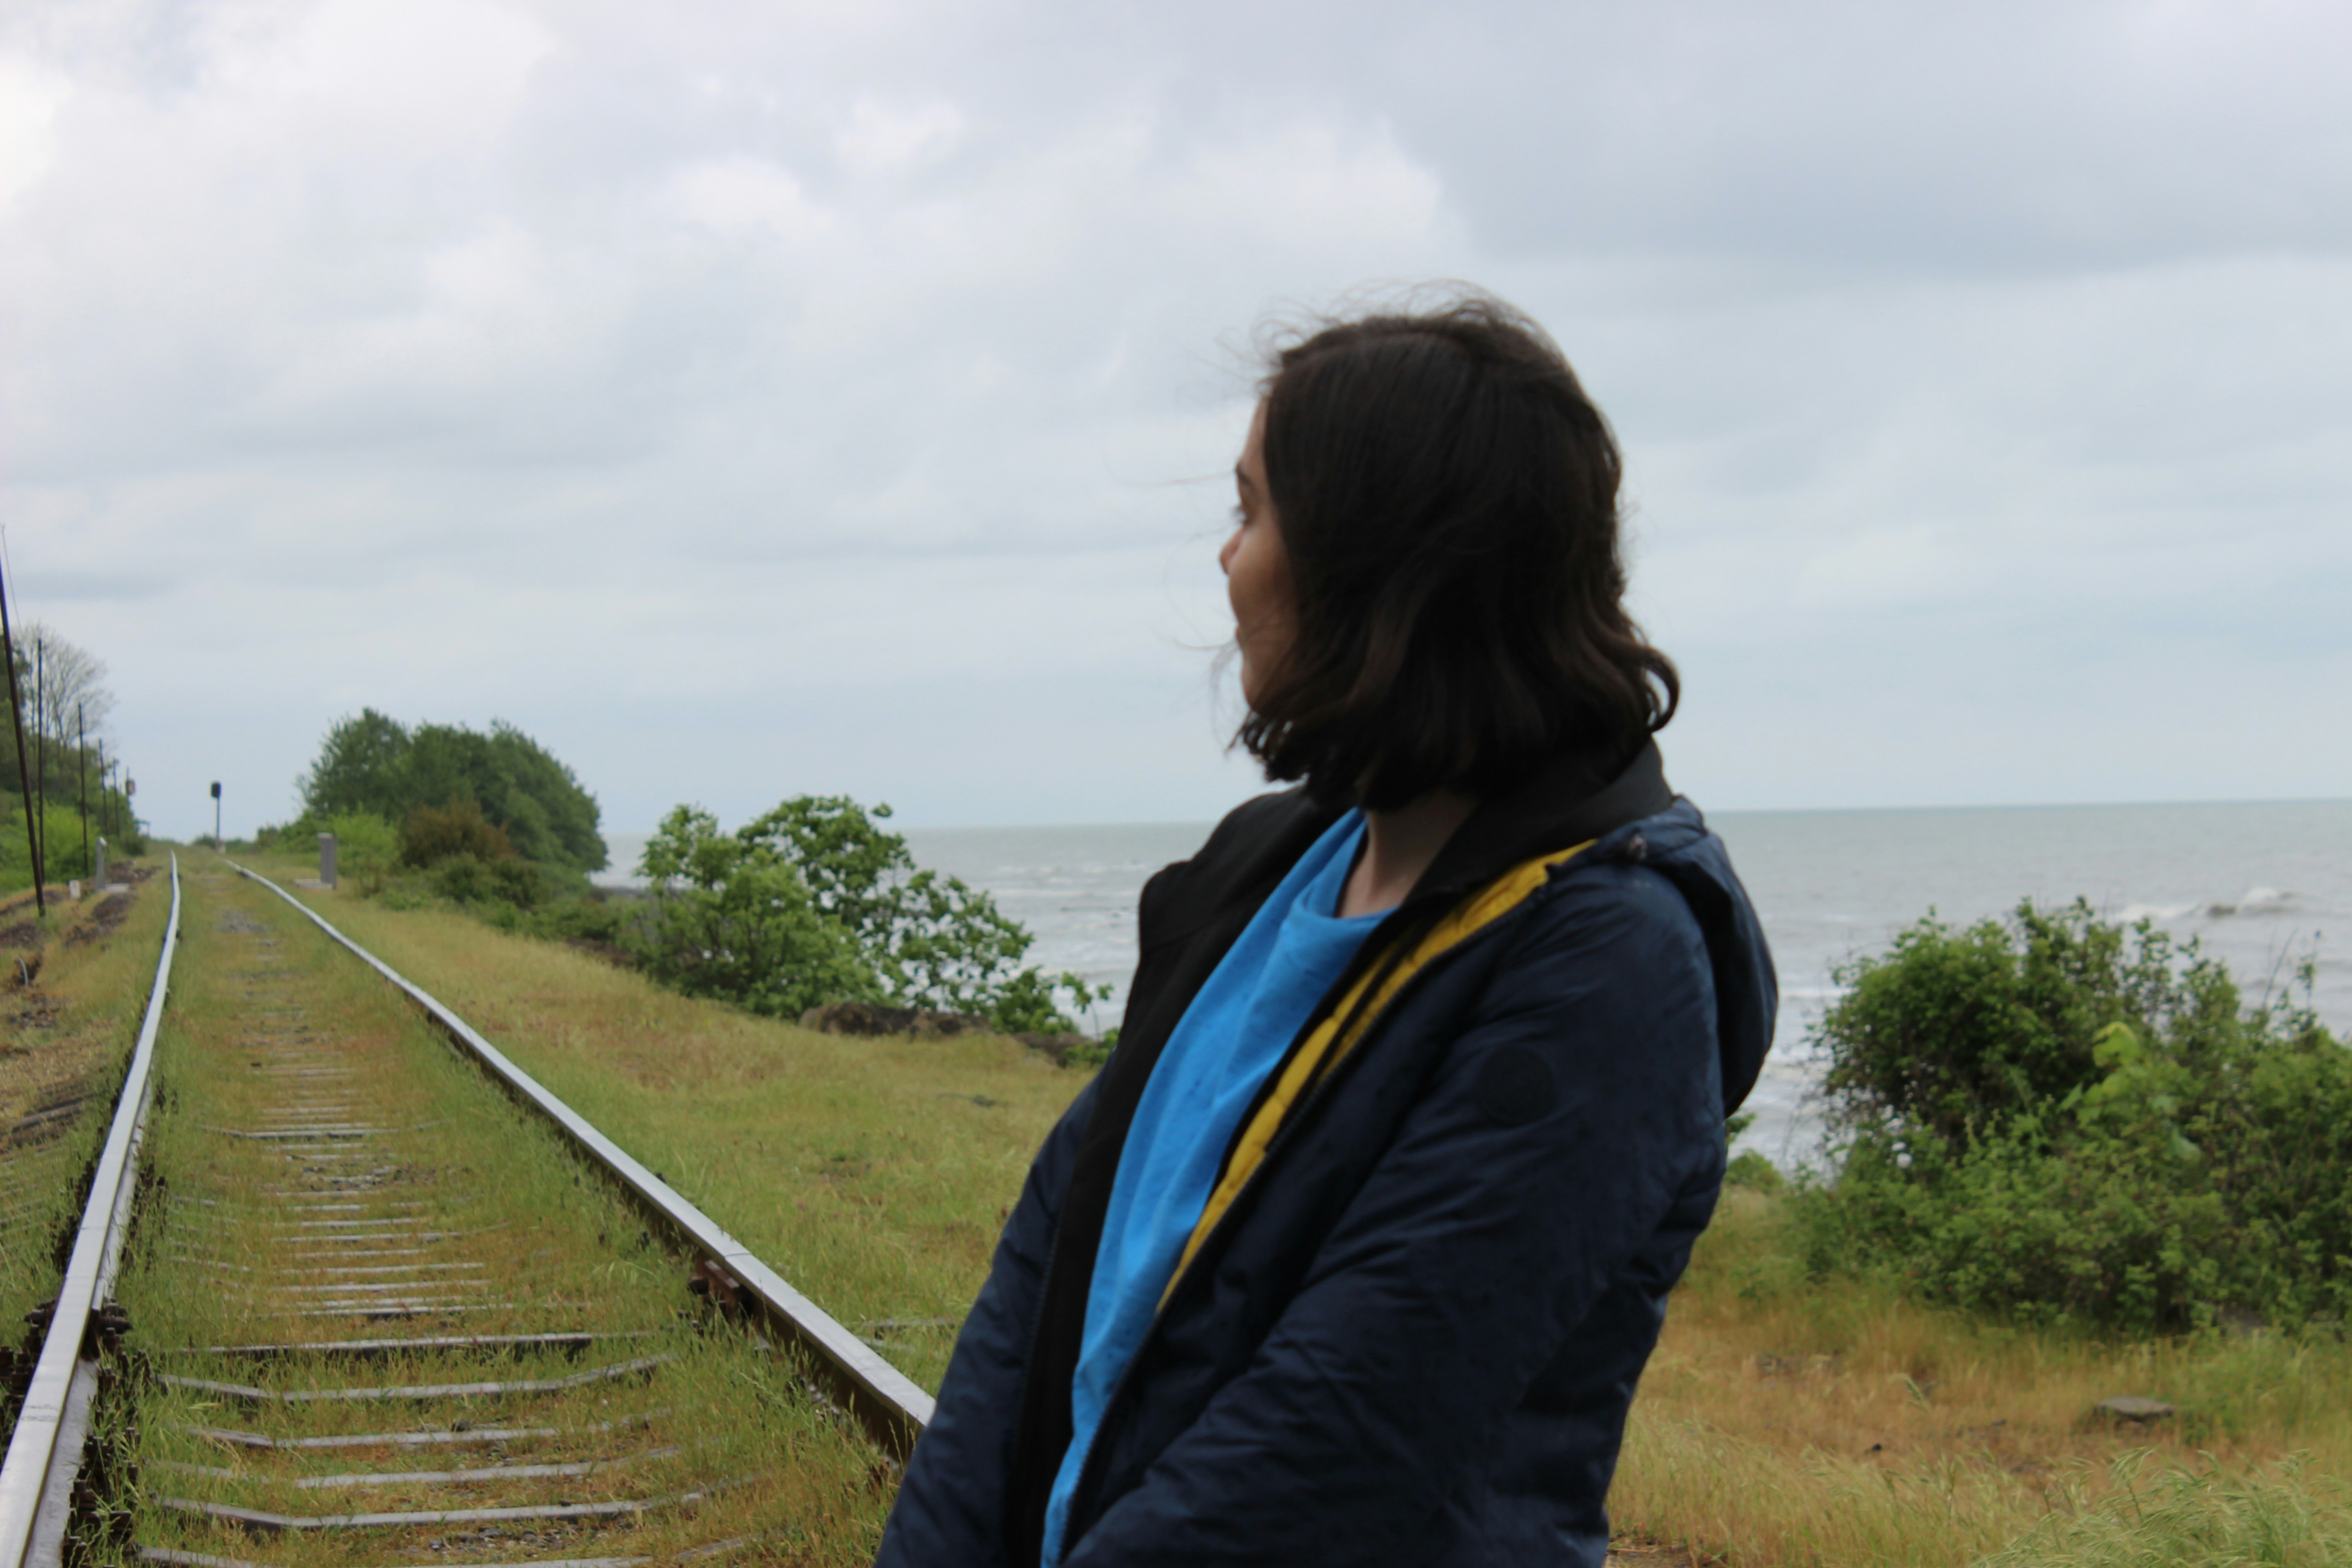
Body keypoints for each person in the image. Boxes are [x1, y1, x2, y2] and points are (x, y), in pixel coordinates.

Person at [874, 293, 1775, 1568]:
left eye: (1252, 510)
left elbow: (1338, 1440)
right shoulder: (1267, 864)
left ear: (1378, 564)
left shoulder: (1607, 963)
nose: (1228, 559)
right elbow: (1043, 1276)